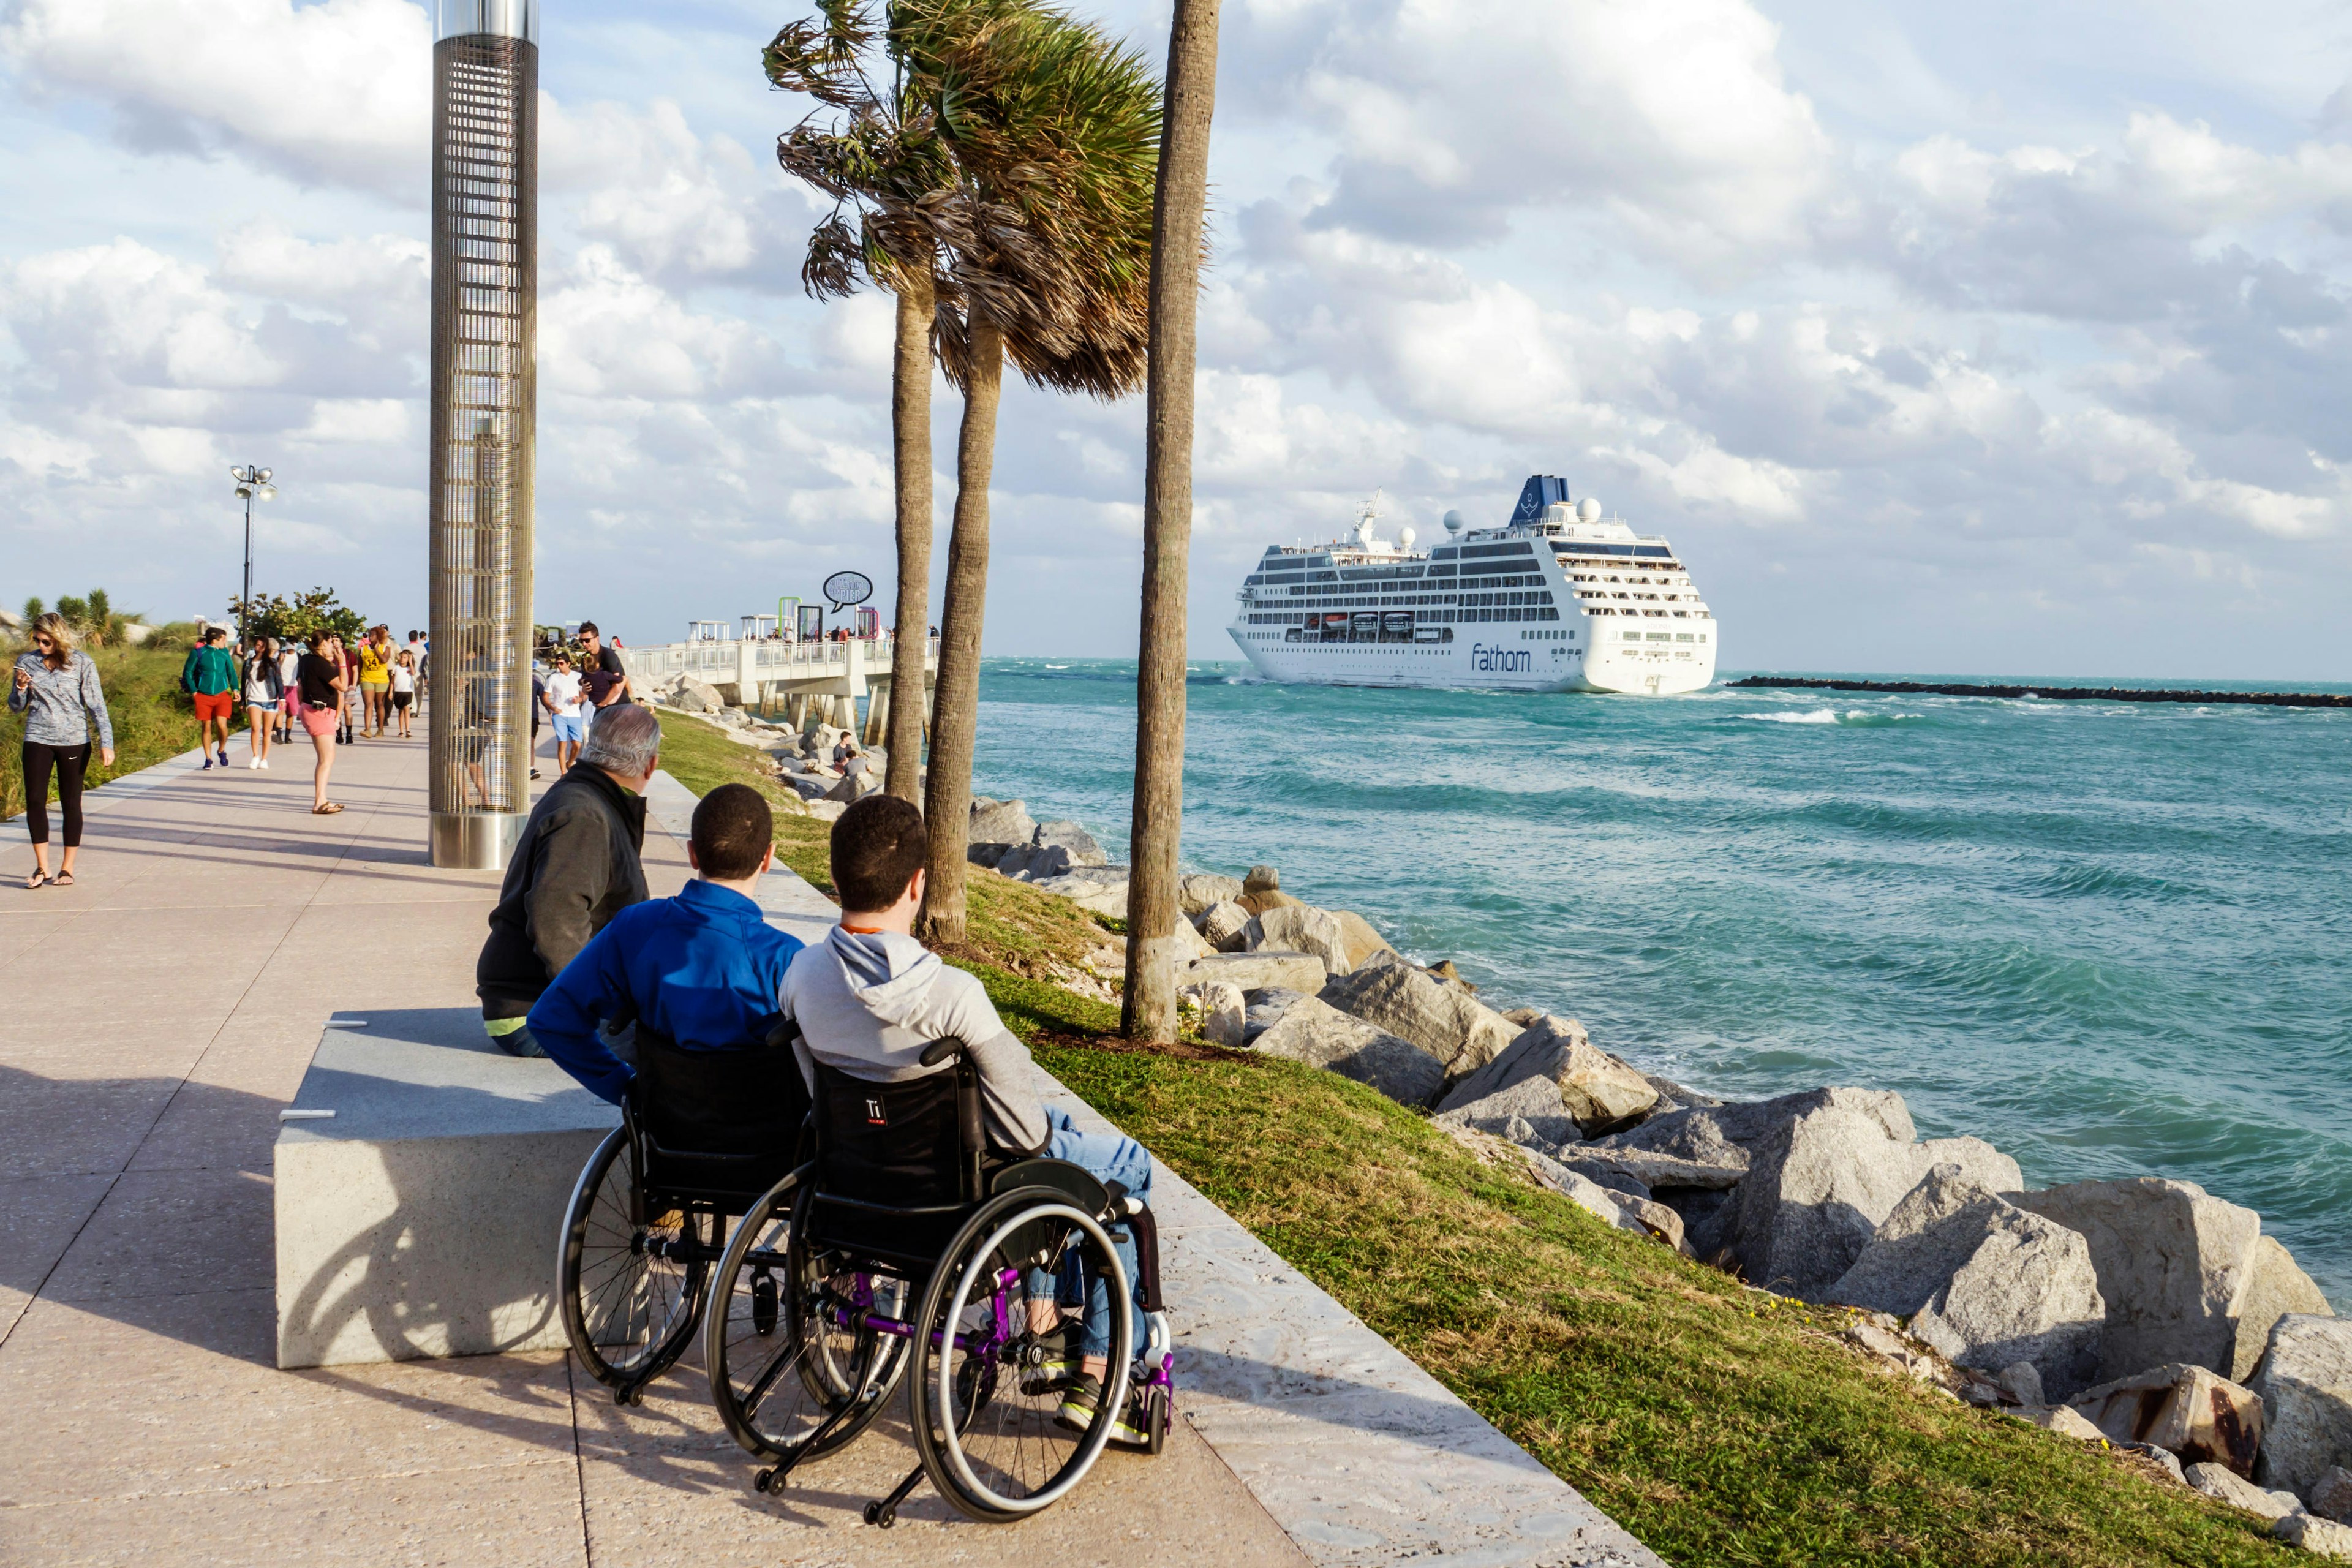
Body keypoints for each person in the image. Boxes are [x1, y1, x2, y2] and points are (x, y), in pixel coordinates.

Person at [783, 794, 1158, 1445]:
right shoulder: (953, 997)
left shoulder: (801, 977)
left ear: (839, 878)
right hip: (958, 1202)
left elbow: (823, 1096)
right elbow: (1024, 1136)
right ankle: (1099, 1370)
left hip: (859, 1188)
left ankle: (1048, 1315)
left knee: (1058, 1128)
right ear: (918, 885)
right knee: (1127, 1167)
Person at [527, 783, 801, 1104]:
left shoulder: (636, 926)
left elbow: (550, 1020)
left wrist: (624, 1087)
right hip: (765, 1138)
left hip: (663, 1125)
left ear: (693, 853)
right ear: (768, 857)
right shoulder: (786, 957)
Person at [475, 703, 661, 1058]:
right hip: (533, 1014)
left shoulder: (589, 797)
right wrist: (602, 1005)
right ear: (649, 764)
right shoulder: (584, 815)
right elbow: (556, 916)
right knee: (691, 1049)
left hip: (547, 1000)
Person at [10, 611, 115, 889]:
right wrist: (20, 689)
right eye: (37, 640)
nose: (41, 645)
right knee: (34, 800)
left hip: (74, 740)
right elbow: (15, 706)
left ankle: (67, 869)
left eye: (47, 641)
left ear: (58, 638)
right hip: (37, 737)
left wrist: (107, 742)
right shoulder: (26, 662)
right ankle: (42, 868)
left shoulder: (82, 663)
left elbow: (96, 705)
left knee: (71, 803)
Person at [295, 630, 348, 814]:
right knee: (326, 759)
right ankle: (319, 802)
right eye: (331, 642)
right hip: (319, 712)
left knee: (327, 758)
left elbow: (301, 686)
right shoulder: (319, 663)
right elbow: (343, 686)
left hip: (313, 710)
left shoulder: (306, 660)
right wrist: (342, 663)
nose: (334, 646)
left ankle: (322, 799)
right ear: (323, 643)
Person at [181, 627, 239, 770]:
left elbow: (231, 671)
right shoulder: (198, 653)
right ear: (215, 640)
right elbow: (188, 672)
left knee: (222, 725)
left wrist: (235, 689)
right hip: (203, 695)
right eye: (224, 639)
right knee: (206, 727)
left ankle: (221, 750)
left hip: (222, 695)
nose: (226, 642)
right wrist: (194, 691)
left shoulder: (224, 653)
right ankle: (208, 758)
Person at [241, 636, 283, 769]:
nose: (259, 647)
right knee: (255, 728)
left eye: (262, 645)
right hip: (253, 699)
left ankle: (264, 759)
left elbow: (279, 681)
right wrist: (243, 700)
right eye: (257, 645)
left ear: (266, 648)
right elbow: (244, 683)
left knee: (267, 731)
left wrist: (282, 698)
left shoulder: (272, 663)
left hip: (270, 700)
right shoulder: (248, 663)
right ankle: (255, 756)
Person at [575, 622, 630, 720]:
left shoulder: (609, 656)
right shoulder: (586, 658)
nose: (584, 644)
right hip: (601, 708)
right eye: (581, 641)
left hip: (619, 707)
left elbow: (617, 687)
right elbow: (585, 680)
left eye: (587, 640)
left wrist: (602, 704)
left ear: (597, 638)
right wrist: (584, 686)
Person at [543, 652, 586, 772]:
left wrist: (580, 699)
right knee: (562, 743)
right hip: (560, 715)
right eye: (557, 664)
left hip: (575, 715)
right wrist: (553, 708)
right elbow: (545, 696)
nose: (559, 666)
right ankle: (563, 772)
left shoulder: (578, 677)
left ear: (569, 664)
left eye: (562, 663)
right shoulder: (553, 678)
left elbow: (584, 694)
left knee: (577, 744)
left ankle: (571, 762)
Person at [357, 626, 394, 737]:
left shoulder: (385, 648)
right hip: (367, 678)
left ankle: (380, 729)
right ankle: (367, 729)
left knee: (379, 704)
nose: (370, 637)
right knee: (368, 704)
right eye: (369, 635)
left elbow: (384, 660)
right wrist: (358, 679)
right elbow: (360, 665)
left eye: (372, 635)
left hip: (381, 680)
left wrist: (377, 650)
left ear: (379, 636)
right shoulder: (364, 649)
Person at [274, 639, 302, 744]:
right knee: (280, 712)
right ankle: (279, 736)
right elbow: (275, 669)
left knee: (291, 713)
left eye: (294, 643)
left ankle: (287, 736)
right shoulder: (280, 655)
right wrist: (280, 661)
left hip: (294, 687)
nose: (291, 645)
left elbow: (301, 672)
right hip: (281, 686)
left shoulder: (299, 657)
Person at [390, 650, 417, 738]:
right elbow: (392, 682)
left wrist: (410, 662)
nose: (402, 659)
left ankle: (408, 730)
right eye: (401, 657)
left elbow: (413, 673)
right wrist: (391, 692)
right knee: (400, 711)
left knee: (407, 709)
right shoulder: (396, 668)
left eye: (405, 658)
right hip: (398, 692)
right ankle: (401, 731)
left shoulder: (410, 669)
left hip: (408, 692)